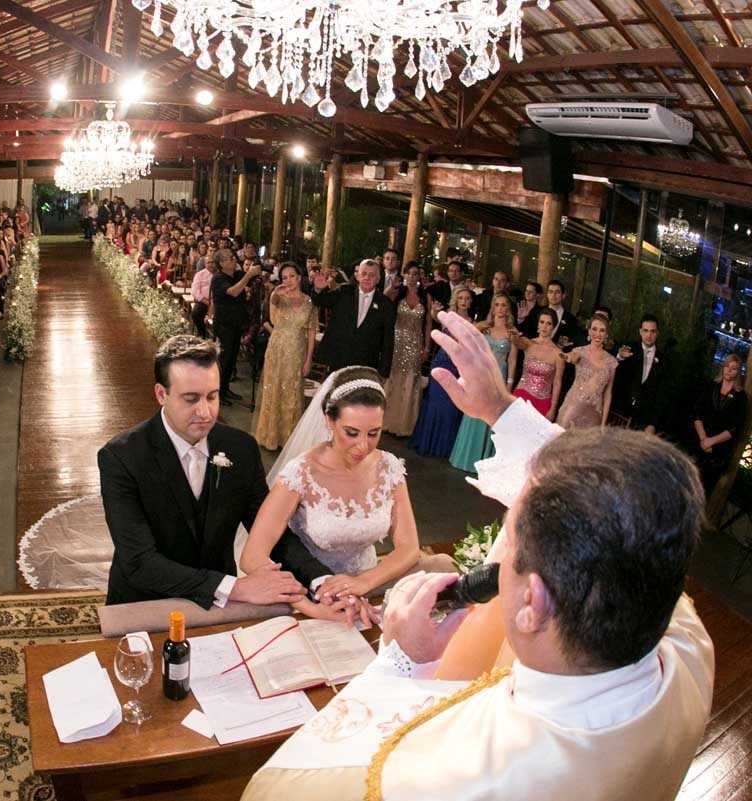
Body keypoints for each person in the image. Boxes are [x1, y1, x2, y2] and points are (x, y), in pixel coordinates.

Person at [243, 309, 713, 801]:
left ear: (532, 604)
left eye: (505, 552)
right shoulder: (685, 643)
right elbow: (624, 512)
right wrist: (504, 410)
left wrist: (404, 659)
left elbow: (282, 787)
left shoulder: (463, 778)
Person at [98, 335, 330, 608]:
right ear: (161, 394)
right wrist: (235, 587)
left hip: (217, 607)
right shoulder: (121, 456)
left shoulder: (241, 448)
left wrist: (320, 580)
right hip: (146, 602)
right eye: (190, 399)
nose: (205, 412)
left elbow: (267, 527)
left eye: (212, 396)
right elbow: (139, 562)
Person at [243, 367, 456, 624]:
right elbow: (252, 556)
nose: (363, 446)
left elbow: (408, 547)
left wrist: (362, 583)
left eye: (374, 433)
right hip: (312, 590)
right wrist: (307, 604)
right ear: (329, 421)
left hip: (371, 582)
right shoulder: (300, 473)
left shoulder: (389, 467)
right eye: (351, 433)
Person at [449, 294, 516, 472]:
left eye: (504, 305)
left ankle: (485, 462)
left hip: (499, 376)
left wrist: (509, 385)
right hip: (480, 373)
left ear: (508, 309)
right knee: (474, 411)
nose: (500, 308)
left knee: (492, 416)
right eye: (497, 304)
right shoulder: (483, 328)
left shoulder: (512, 333)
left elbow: (513, 361)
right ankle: (466, 456)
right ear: (493, 307)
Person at [254, 263, 317, 450]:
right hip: (277, 349)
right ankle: (269, 435)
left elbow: (312, 332)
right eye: (284, 277)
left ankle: (288, 437)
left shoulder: (309, 302)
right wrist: (275, 292)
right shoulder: (279, 297)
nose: (288, 280)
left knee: (292, 391)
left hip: (297, 350)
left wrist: (308, 359)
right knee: (273, 389)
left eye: (292, 276)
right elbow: (271, 304)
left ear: (299, 278)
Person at [409, 287, 472, 458]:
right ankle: (427, 443)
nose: (464, 301)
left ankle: (443, 448)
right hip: (439, 364)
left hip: (457, 368)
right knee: (434, 404)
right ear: (456, 300)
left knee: (450, 407)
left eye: (467, 298)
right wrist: (434, 311)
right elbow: (434, 317)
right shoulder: (448, 318)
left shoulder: (472, 323)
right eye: (461, 298)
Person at [310, 259, 396, 378]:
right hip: (338, 357)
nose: (367, 278)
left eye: (372, 275)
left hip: (366, 364)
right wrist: (318, 289)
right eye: (364, 273)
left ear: (378, 279)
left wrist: (383, 373)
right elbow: (321, 300)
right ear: (357, 276)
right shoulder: (344, 292)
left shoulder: (386, 305)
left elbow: (388, 341)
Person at [691, 353, 748, 493]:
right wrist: (704, 439)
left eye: (733, 368)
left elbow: (734, 428)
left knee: (702, 492)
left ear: (738, 372)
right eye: (727, 366)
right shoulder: (711, 386)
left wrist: (711, 442)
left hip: (717, 453)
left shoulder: (741, 397)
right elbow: (697, 413)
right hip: (698, 442)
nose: (729, 370)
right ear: (723, 367)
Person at [382, 265, 427, 437]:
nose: (413, 276)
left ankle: (404, 424)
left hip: (415, 342)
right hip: (396, 340)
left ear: (419, 276)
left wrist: (427, 346)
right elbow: (382, 299)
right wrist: (391, 288)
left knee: (410, 379)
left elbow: (428, 323)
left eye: (416, 274)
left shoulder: (425, 296)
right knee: (393, 377)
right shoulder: (398, 293)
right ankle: (386, 420)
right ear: (405, 275)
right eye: (410, 273)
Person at [211, 248, 260, 405]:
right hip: (224, 324)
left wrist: (256, 273)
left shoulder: (238, 275)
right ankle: (218, 392)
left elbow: (250, 282)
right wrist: (249, 275)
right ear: (221, 264)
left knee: (232, 360)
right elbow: (233, 291)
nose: (233, 260)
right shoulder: (218, 278)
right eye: (229, 258)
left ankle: (225, 389)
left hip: (237, 324)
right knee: (224, 360)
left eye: (233, 257)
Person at [555, 314, 618, 429]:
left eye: (602, 330)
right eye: (594, 329)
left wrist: (603, 424)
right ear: (589, 331)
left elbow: (608, 394)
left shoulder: (611, 362)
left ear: (607, 334)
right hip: (573, 407)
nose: (598, 334)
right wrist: (568, 357)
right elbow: (573, 357)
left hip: (593, 414)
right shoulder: (579, 351)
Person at [613, 313, 668, 434]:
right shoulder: (629, 348)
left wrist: (652, 424)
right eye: (646, 331)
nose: (649, 335)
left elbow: (661, 395)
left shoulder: (664, 360)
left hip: (644, 421)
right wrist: (620, 357)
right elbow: (614, 372)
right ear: (640, 331)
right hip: (620, 415)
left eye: (652, 331)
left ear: (657, 333)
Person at [513, 308, 564, 420]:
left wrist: (553, 409)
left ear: (554, 326)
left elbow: (557, 383)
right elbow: (518, 342)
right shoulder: (528, 342)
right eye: (542, 322)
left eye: (548, 323)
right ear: (538, 324)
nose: (544, 326)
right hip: (521, 396)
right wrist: (514, 336)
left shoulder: (558, 354)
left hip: (542, 402)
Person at [190, 253, 216, 339]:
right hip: (204, 301)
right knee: (196, 313)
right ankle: (202, 334)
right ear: (205, 264)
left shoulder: (219, 275)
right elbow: (194, 291)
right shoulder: (200, 274)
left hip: (217, 303)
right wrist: (206, 301)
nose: (211, 264)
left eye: (212, 262)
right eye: (208, 263)